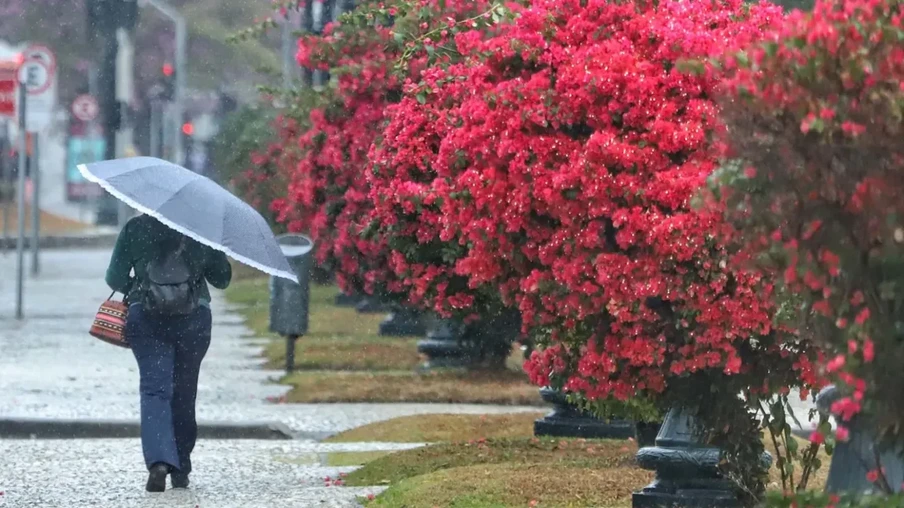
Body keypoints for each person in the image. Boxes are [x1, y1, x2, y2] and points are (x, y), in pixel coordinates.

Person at [106, 213, 232, 492]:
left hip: (146, 318)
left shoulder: (135, 228)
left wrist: (140, 289)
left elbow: (113, 277)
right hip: (194, 318)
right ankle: (181, 466)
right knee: (185, 392)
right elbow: (222, 279)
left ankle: (159, 461)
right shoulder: (200, 226)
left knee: (155, 390)